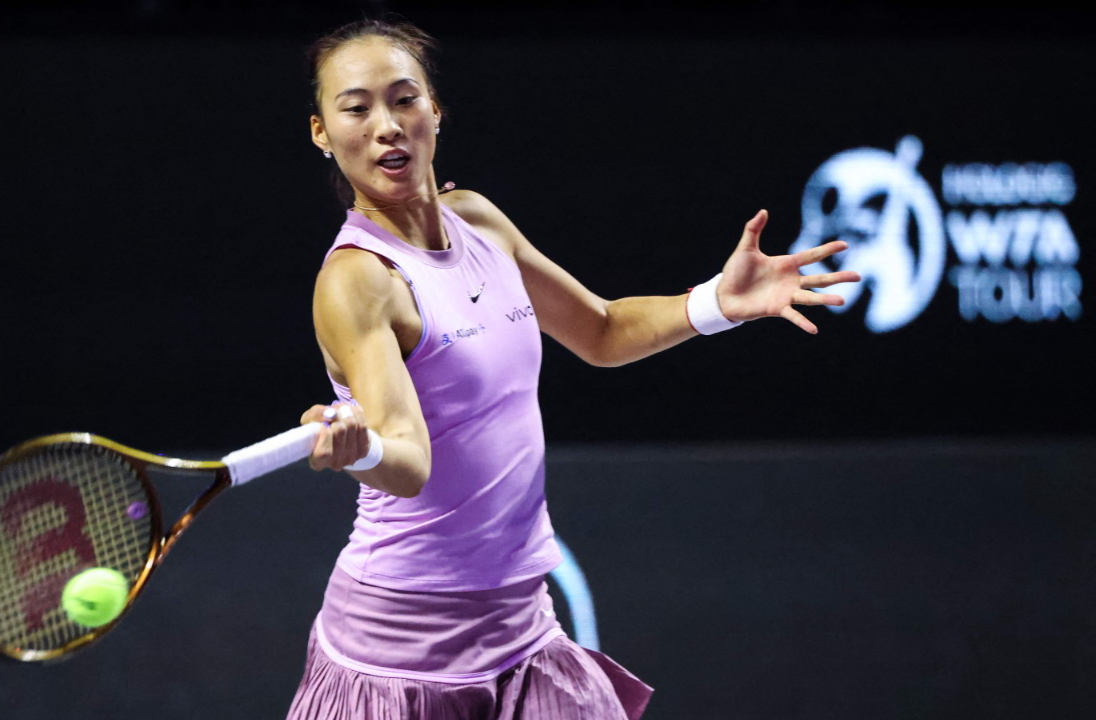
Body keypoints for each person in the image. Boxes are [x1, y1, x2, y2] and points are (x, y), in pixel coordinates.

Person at [288, 19, 859, 720]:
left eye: (403, 99)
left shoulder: (480, 224)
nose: (386, 126)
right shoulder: (358, 282)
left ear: (435, 108)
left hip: (523, 632)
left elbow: (600, 330)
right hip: (398, 650)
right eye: (356, 108)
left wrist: (718, 302)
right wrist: (360, 447)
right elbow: (406, 461)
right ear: (322, 132)